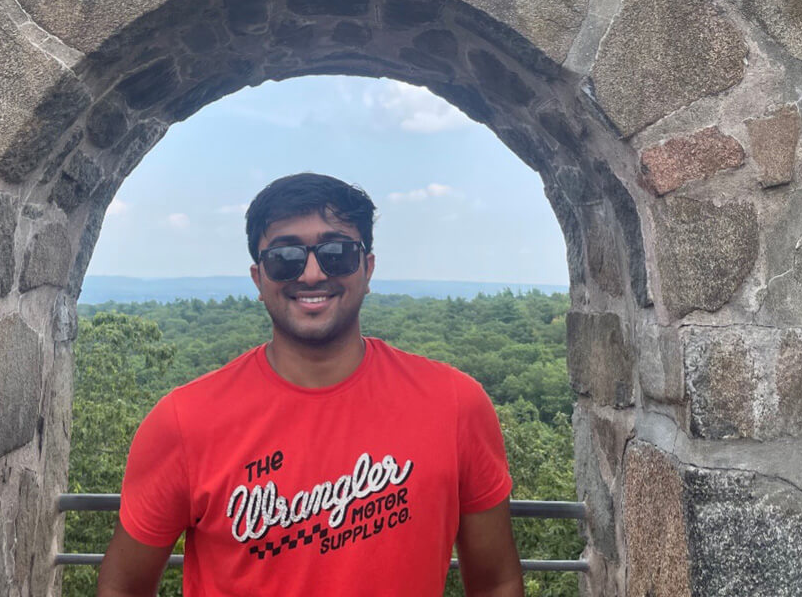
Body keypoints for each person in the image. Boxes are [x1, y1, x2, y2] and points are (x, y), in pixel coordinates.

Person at [96, 173, 523, 597]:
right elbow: (123, 587)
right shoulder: (183, 422)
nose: (313, 274)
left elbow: (496, 582)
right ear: (258, 278)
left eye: (337, 253)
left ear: (368, 268)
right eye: (286, 257)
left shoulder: (454, 405)